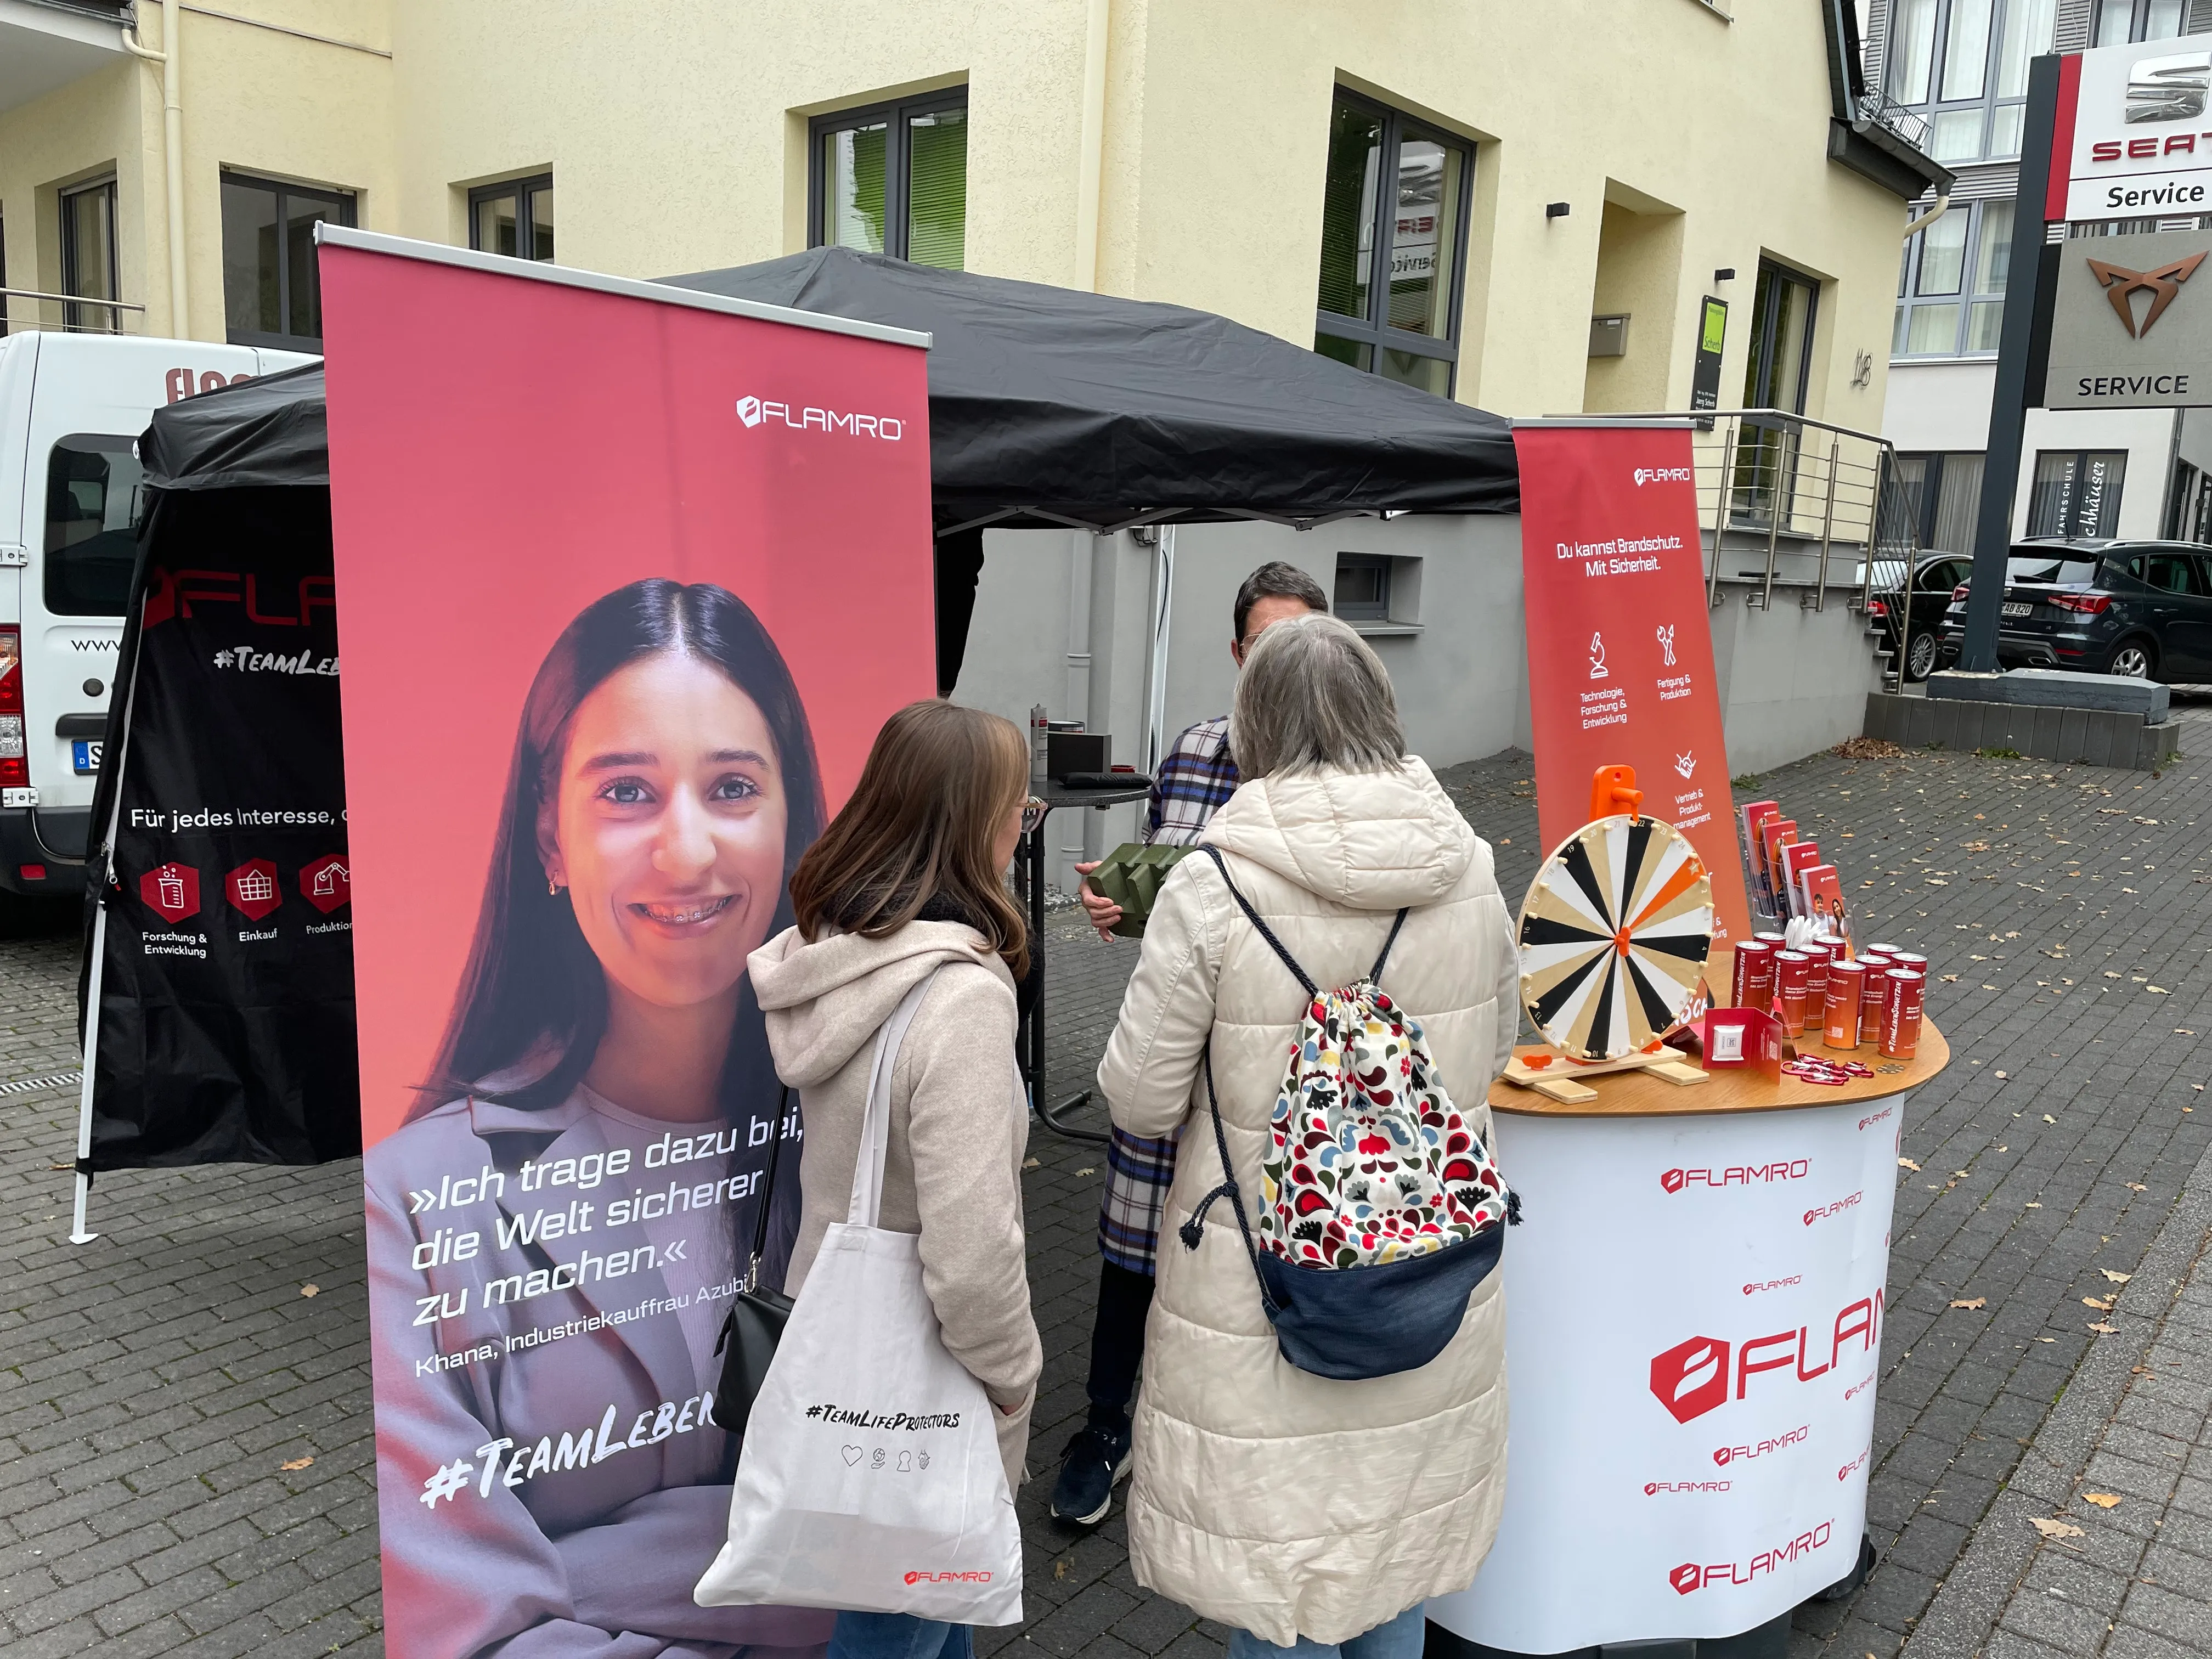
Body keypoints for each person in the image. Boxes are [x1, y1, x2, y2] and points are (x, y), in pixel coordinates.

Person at [364, 578, 833, 1659]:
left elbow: (902, 1511)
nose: (687, 852)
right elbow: (472, 1639)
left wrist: (567, 1573)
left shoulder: (851, 1133)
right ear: (549, 835)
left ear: (791, 823)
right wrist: (790, 1588)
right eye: (627, 792)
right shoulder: (413, 1202)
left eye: (732, 787)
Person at [1096, 613, 1519, 1657]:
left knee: (1274, 1578)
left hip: (1261, 1292)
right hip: (1426, 1272)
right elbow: (1497, 1050)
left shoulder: (1213, 880)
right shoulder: (1468, 867)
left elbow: (1140, 1100)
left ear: (1254, 728)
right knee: (1397, 1563)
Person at [749, 699, 1042, 1659]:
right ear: (973, 824)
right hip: (923, 1366)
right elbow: (972, 1252)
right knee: (900, 1617)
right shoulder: (957, 998)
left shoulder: (831, 955)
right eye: (1016, 806)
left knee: (911, 1609)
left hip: (836, 1335)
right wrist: (1013, 1377)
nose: (1022, 824)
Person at [1051, 560, 1326, 1527]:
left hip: (1280, 1066)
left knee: (1259, 1252)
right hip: (1172, 1044)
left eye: (1301, 643)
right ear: (1240, 653)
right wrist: (1116, 907)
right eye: (1267, 644)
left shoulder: (1345, 770)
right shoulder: (1198, 749)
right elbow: (1168, 896)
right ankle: (1106, 1426)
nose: (1281, 662)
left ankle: (1244, 1451)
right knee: (1134, 1241)